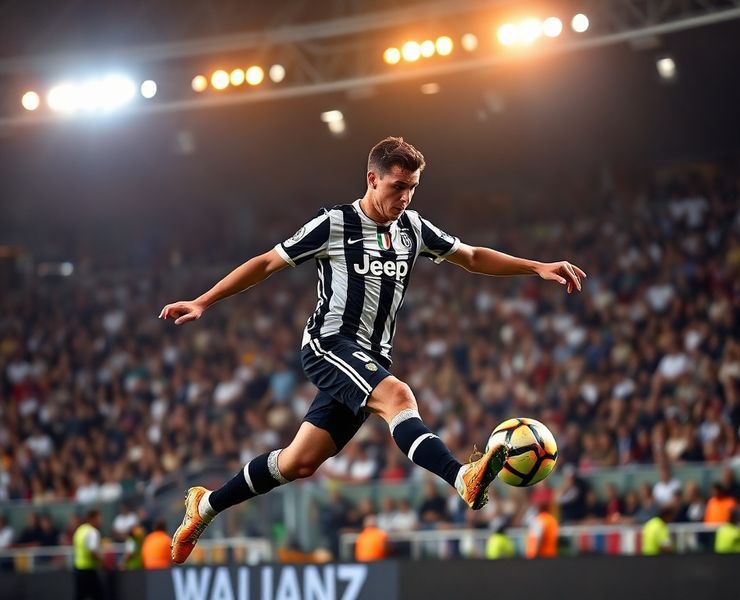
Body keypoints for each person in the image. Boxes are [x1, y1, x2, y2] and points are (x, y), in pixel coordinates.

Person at [161, 136, 586, 563]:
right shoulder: (334, 224)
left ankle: (206, 505)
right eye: (397, 186)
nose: (405, 198)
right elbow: (267, 263)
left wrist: (537, 266)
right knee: (398, 396)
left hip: (371, 357)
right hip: (329, 344)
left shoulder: (413, 228)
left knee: (298, 463)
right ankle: (462, 477)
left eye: (412, 188)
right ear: (372, 179)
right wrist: (203, 301)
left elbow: (472, 257)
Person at [73, 509, 104, 600]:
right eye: (99, 518)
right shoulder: (93, 532)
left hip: (78, 568)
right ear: (92, 519)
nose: (101, 521)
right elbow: (92, 552)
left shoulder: (80, 530)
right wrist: (102, 561)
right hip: (89, 569)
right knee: (98, 595)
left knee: (80, 595)